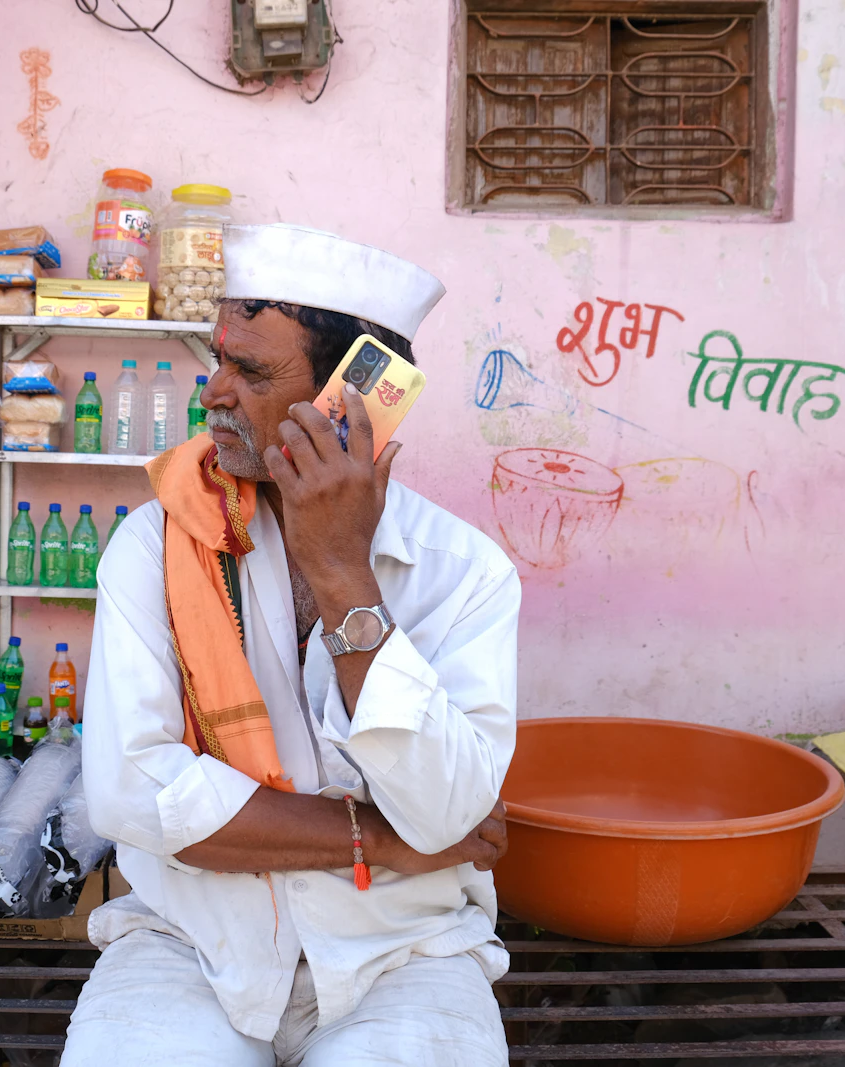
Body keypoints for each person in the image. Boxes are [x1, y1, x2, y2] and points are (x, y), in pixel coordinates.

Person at [68, 223, 521, 1066]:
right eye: (217, 360)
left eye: (250, 371)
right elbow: (134, 794)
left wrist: (345, 577)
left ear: (353, 398)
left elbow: (454, 812)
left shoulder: (466, 574)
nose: (213, 394)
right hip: (186, 946)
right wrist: (382, 841)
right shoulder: (153, 547)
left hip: (406, 959)